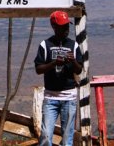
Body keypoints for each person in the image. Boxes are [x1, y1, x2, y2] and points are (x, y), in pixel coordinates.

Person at [34, 10, 83, 146]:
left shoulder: (73, 45)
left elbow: (79, 70)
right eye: (62, 26)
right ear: (54, 27)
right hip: (51, 97)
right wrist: (55, 63)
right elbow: (38, 69)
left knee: (67, 137)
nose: (66, 29)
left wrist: (73, 61)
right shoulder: (45, 45)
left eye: (67, 26)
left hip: (69, 97)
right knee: (46, 135)